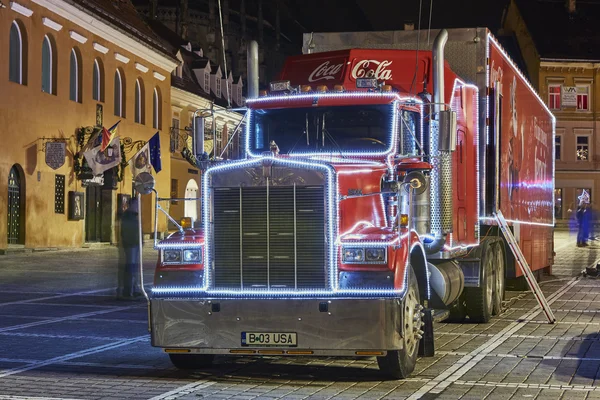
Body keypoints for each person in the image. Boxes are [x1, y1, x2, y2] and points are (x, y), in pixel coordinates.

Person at [120, 198, 142, 299]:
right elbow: (127, 231)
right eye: (137, 204)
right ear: (132, 204)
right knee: (131, 267)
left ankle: (134, 288)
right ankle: (128, 290)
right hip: (131, 244)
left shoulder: (133, 216)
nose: (138, 206)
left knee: (134, 267)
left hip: (135, 244)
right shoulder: (128, 216)